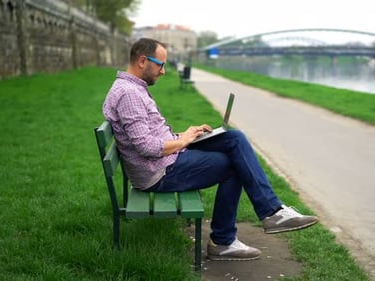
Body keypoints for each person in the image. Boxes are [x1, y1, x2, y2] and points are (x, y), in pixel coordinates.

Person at [102, 38, 318, 261]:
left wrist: (185, 135)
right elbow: (146, 146)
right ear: (142, 61)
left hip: (165, 159)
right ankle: (230, 237)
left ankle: (270, 214)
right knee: (235, 163)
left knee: (233, 137)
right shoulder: (129, 94)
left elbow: (149, 137)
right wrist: (183, 141)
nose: (164, 71)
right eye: (161, 65)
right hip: (158, 173)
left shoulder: (132, 88)